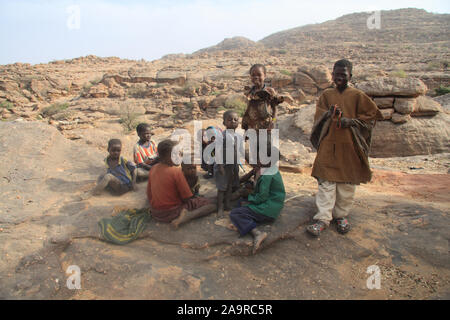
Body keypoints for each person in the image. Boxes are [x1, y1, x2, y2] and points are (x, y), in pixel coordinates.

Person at [306, 59, 381, 236]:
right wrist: (328, 114)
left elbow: (371, 116)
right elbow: (319, 118)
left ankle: (341, 215)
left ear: (350, 76)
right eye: (336, 74)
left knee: (347, 183)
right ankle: (323, 218)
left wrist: (350, 121)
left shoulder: (357, 96)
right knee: (325, 180)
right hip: (328, 144)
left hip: (349, 145)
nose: (339, 77)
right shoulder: (326, 95)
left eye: (343, 75)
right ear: (332, 75)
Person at [146, 139, 215, 229]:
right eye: (176, 154)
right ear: (166, 157)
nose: (179, 156)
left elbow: (149, 194)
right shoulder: (176, 172)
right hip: (172, 212)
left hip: (156, 213)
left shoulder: (153, 168)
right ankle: (186, 217)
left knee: (203, 199)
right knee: (212, 205)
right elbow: (187, 198)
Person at [229, 150, 286, 255]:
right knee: (241, 202)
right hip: (273, 204)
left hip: (268, 208)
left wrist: (250, 198)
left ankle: (257, 233)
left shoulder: (266, 176)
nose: (258, 160)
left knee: (235, 213)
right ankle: (253, 219)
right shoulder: (271, 170)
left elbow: (262, 197)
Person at [242, 64, 284, 132]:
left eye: (259, 75)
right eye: (253, 75)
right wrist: (245, 127)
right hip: (252, 129)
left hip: (267, 128)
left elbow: (275, 109)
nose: (256, 77)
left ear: (264, 76)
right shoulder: (248, 92)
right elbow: (247, 111)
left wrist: (273, 121)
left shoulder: (270, 92)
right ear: (250, 76)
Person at [215, 110, 240, 216]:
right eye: (230, 120)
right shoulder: (222, 136)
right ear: (224, 123)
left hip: (232, 166)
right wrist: (220, 166)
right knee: (222, 188)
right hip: (223, 166)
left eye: (236, 119)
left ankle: (227, 204)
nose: (233, 121)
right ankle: (220, 207)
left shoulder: (237, 136)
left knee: (229, 186)